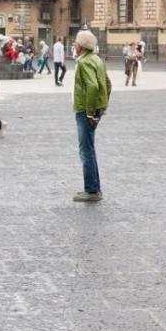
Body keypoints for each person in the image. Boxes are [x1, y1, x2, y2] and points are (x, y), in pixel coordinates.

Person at [71, 29, 111, 203]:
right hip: (96, 109)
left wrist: (89, 112)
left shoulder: (84, 62)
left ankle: (92, 191)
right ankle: (94, 188)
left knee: (86, 151)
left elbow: (93, 86)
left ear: (80, 46)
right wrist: (102, 107)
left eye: (75, 42)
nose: (74, 44)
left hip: (85, 111)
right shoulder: (97, 59)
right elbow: (107, 84)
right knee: (90, 150)